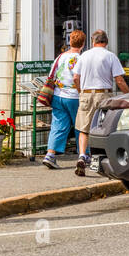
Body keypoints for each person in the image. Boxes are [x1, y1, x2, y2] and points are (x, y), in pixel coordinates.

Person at [73, 29, 128, 177]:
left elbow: (76, 78)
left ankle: (82, 156)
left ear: (93, 41)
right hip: (103, 94)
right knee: (104, 128)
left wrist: (81, 91)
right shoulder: (110, 56)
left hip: (86, 94)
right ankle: (101, 159)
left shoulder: (83, 56)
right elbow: (119, 80)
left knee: (84, 129)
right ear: (106, 41)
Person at [42, 30, 84, 169]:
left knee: (58, 126)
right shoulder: (80, 58)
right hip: (74, 96)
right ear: (83, 44)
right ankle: (84, 155)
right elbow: (80, 78)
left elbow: (51, 75)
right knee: (80, 126)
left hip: (58, 96)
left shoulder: (60, 57)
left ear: (69, 42)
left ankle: (50, 155)